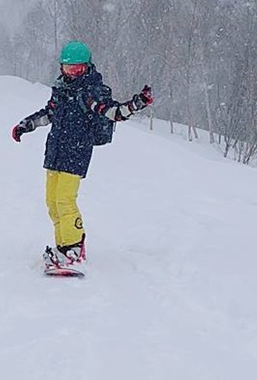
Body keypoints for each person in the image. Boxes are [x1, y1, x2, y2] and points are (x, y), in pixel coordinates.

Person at [11, 40, 153, 270]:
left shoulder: (91, 91)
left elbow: (113, 112)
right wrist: (27, 124)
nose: (72, 73)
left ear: (86, 67)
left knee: (65, 202)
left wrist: (136, 104)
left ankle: (73, 248)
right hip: (56, 150)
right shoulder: (62, 89)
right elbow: (50, 113)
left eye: (77, 69)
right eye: (68, 68)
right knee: (52, 203)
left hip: (76, 151)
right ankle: (62, 247)